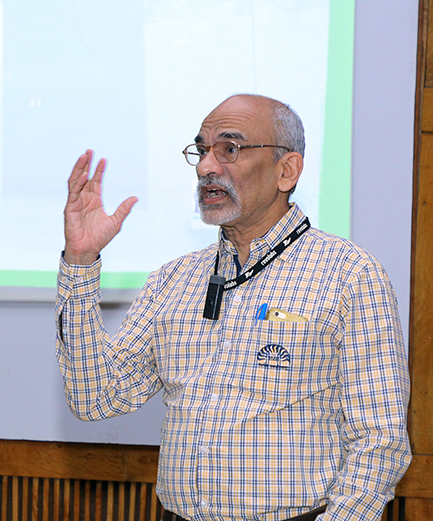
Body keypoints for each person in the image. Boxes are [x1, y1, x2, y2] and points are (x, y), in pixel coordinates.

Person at [56, 94, 411, 521]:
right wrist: (80, 262)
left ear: (287, 170)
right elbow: (97, 398)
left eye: (230, 148)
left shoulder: (349, 275)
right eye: (202, 150)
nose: (207, 166)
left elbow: (380, 440)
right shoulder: (173, 279)